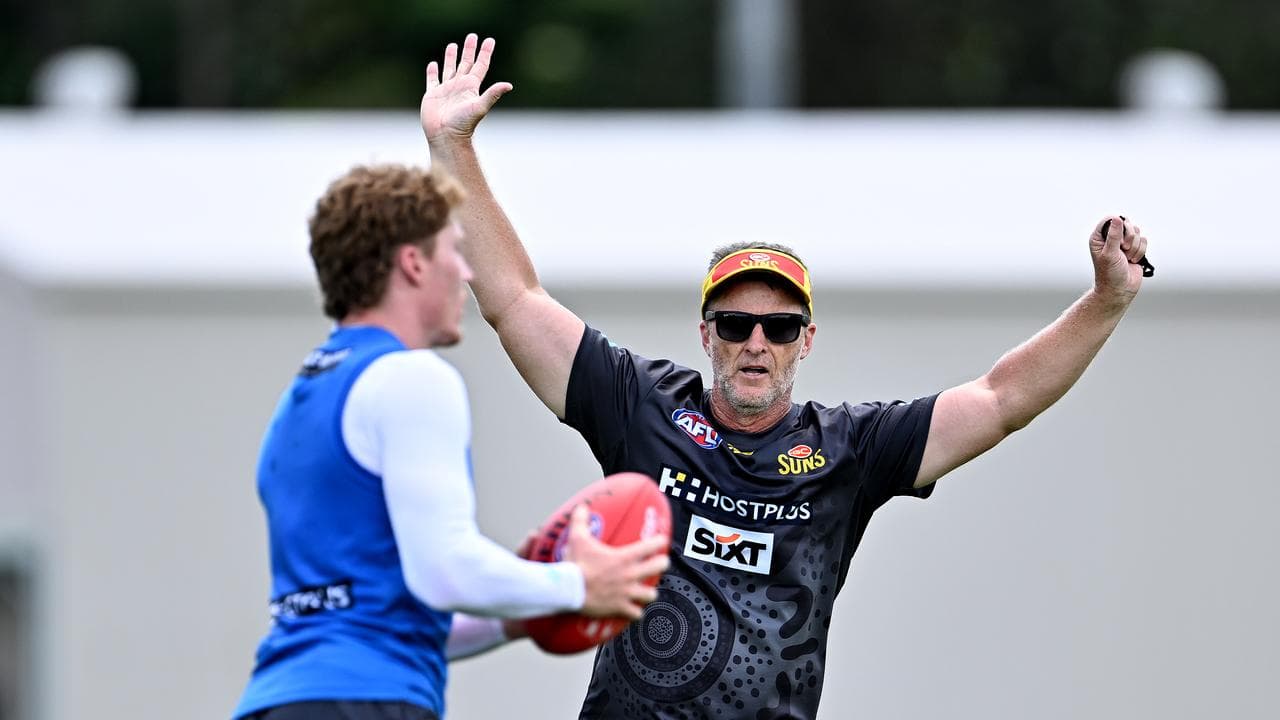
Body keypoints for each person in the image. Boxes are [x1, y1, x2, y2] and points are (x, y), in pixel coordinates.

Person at [422, 35, 1152, 720]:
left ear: (807, 341)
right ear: (706, 335)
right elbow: (515, 300)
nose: (756, 343)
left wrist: (1106, 300)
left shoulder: (850, 447)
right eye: (736, 325)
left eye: (779, 327)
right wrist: (451, 147)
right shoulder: (640, 406)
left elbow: (1001, 399)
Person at [232, 164, 670, 720]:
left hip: (279, 701)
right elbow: (442, 570)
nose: (464, 271)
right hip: (366, 705)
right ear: (413, 263)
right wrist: (576, 583)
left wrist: (517, 613)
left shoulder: (305, 397)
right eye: (451, 251)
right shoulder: (413, 378)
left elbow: (391, 619)